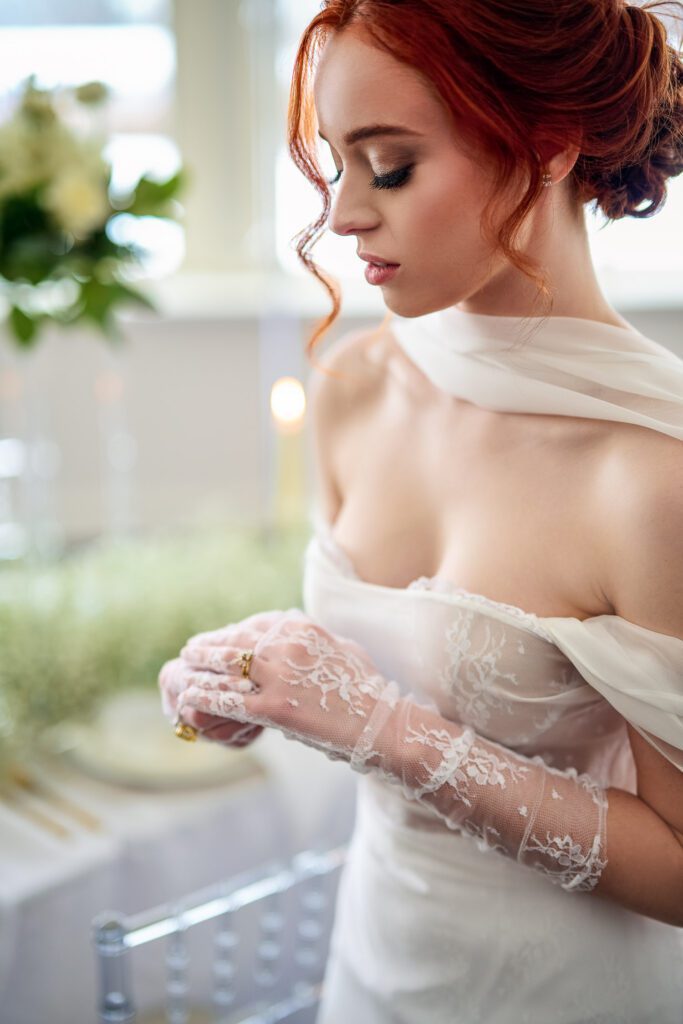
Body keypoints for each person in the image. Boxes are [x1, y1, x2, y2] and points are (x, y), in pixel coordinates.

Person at [159, 1, 683, 1020]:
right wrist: (263, 676)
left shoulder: (648, 482)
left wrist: (385, 729)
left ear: (546, 146)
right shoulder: (353, 387)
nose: (343, 213)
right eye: (333, 162)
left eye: (388, 163)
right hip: (370, 966)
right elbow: (379, 656)